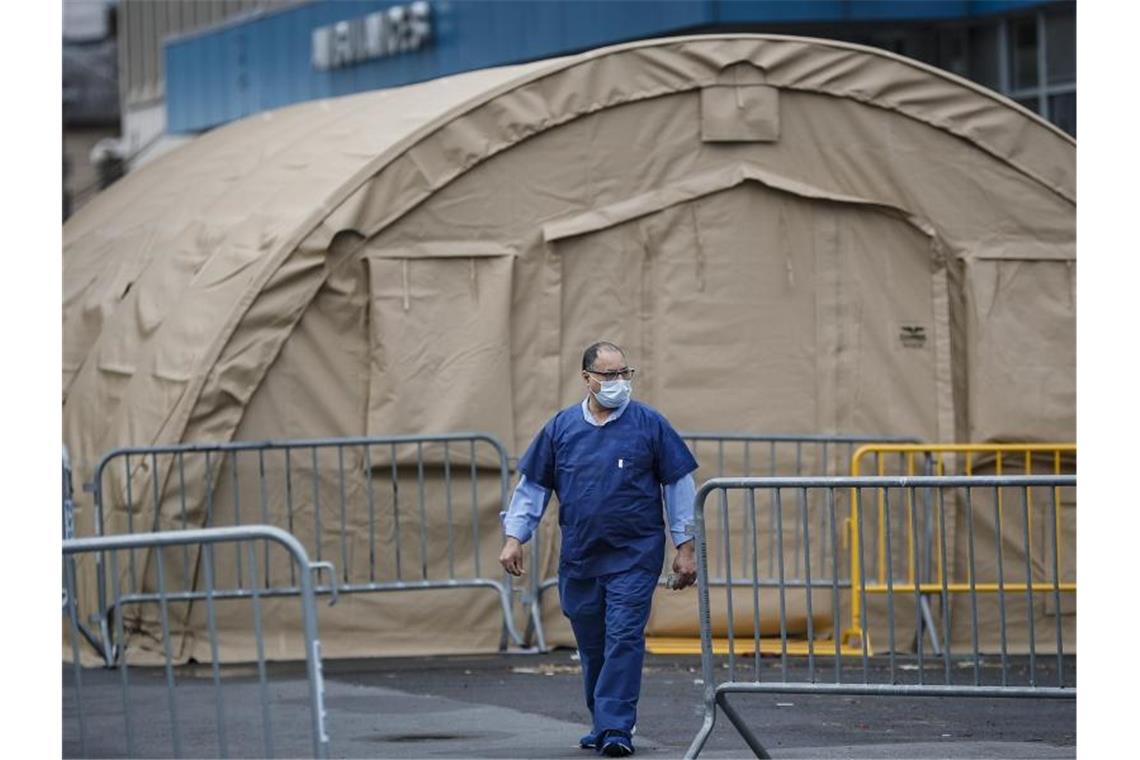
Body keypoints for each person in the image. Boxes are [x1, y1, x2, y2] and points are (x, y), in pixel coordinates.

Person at [499, 341, 699, 757]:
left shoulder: (649, 425)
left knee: (624, 637)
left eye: (624, 373)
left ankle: (615, 728)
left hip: (635, 554)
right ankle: (601, 721)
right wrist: (515, 537)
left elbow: (679, 485)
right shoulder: (561, 429)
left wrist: (685, 546)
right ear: (587, 378)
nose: (618, 383)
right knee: (592, 644)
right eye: (609, 375)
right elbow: (533, 488)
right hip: (582, 556)